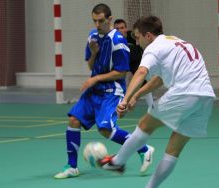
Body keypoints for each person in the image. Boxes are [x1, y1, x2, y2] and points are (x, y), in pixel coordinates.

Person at [99, 15, 216, 188]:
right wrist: (136, 95)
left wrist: (124, 100)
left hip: (185, 93)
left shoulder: (154, 47)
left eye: (138, 38)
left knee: (145, 124)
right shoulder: (175, 42)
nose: (137, 43)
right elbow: (159, 79)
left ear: (148, 36)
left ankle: (117, 162)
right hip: (206, 98)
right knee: (173, 151)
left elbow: (140, 73)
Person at [54, 4, 155, 179]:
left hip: (112, 91)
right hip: (94, 91)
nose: (97, 24)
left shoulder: (118, 41)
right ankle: (72, 166)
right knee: (74, 120)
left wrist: (95, 78)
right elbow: (91, 66)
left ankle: (144, 148)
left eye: (101, 20)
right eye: (94, 20)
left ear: (109, 19)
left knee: (105, 129)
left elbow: (121, 72)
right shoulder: (92, 37)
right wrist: (93, 54)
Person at [114, 18, 153, 106]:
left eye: (122, 28)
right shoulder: (111, 40)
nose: (120, 30)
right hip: (120, 63)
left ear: (126, 29)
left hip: (135, 61)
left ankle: (152, 106)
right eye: (117, 29)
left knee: (143, 82)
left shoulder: (133, 35)